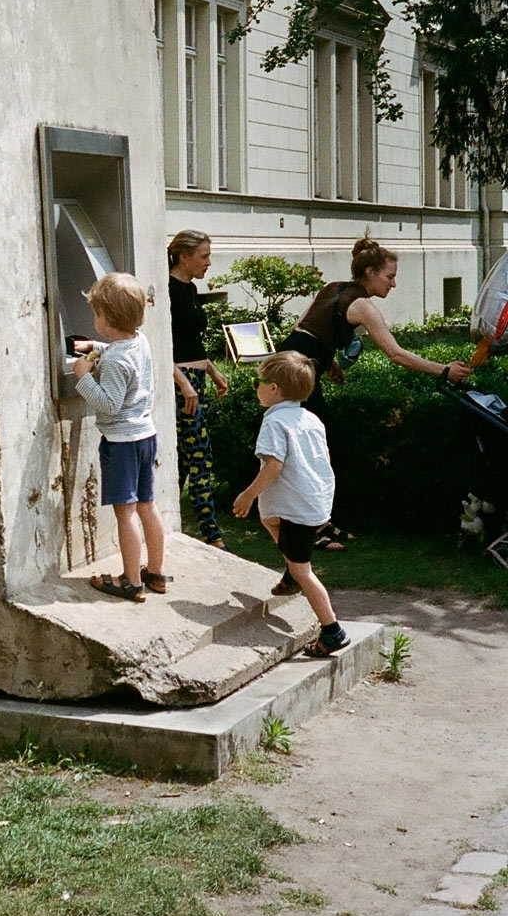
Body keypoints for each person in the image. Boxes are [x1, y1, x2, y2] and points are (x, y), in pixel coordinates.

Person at [276, 234, 472, 561]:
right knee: (307, 456)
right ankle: (308, 530)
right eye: (389, 276)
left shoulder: (332, 288)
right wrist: (444, 370)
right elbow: (395, 353)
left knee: (319, 451)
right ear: (369, 272)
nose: (393, 284)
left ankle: (320, 522)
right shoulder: (362, 304)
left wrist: (329, 364)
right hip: (295, 379)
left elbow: (303, 329)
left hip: (292, 371)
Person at [233, 351, 349, 659]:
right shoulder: (310, 419)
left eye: (256, 381)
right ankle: (290, 572)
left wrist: (247, 495)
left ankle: (332, 630)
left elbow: (273, 466)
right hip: (313, 502)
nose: (255, 386)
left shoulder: (274, 424)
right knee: (269, 519)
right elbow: (325, 458)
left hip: (297, 508)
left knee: (304, 572)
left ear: (273, 389)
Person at [71, 272, 168, 601]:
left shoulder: (112, 360)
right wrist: (94, 347)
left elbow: (109, 406)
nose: (94, 317)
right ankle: (154, 572)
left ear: (106, 317)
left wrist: (83, 377)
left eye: (96, 312)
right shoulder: (139, 341)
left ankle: (130, 580)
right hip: (145, 436)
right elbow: (119, 350)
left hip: (122, 443)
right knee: (147, 506)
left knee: (125, 513)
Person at [168, 229, 229, 549]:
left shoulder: (190, 289)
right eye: (203, 256)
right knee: (200, 458)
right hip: (182, 386)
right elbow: (161, 345)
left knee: (181, 459)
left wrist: (213, 371)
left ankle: (169, 527)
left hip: (197, 381)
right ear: (184, 256)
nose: (208, 262)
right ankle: (212, 534)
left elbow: (190, 343)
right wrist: (183, 385)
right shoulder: (167, 289)